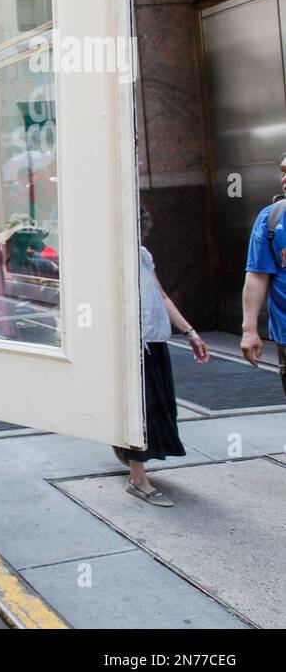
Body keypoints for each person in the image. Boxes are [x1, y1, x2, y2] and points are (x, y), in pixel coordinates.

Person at [117, 208, 207, 505]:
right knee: (141, 410)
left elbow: (162, 296)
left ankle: (130, 458)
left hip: (154, 339)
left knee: (158, 406)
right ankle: (137, 478)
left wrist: (189, 331)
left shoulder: (142, 254)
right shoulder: (113, 254)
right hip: (131, 343)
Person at [241, 153, 286, 392]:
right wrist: (249, 330)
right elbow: (257, 275)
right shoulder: (271, 218)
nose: (284, 179)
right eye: (283, 172)